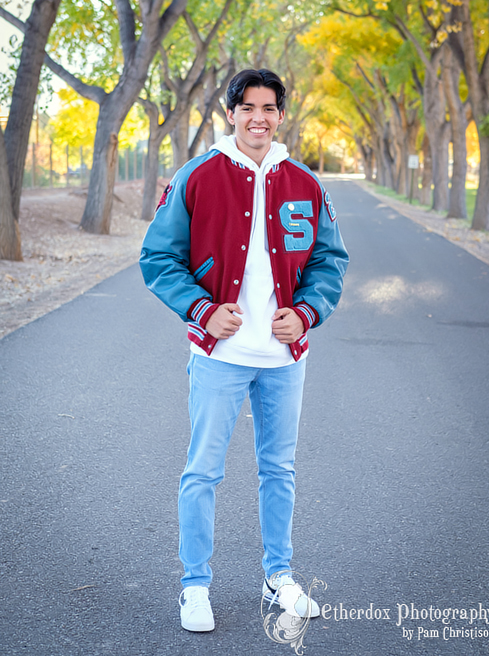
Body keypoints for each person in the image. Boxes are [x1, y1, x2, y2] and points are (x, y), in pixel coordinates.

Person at [140, 68, 349, 632]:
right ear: (230, 113)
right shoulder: (197, 176)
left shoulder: (305, 183)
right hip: (219, 355)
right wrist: (203, 309)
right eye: (248, 106)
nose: (259, 116)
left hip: (285, 359)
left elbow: (331, 262)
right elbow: (157, 259)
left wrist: (305, 313)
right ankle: (195, 586)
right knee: (203, 471)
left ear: (282, 115)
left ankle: (277, 575)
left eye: (270, 107)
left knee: (279, 469)